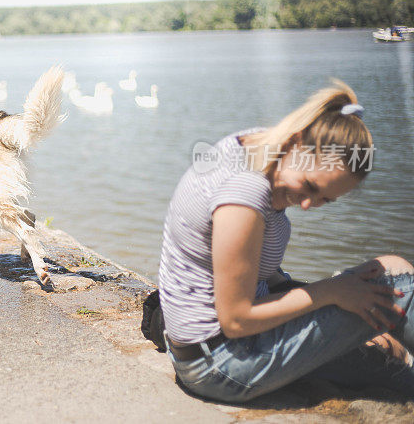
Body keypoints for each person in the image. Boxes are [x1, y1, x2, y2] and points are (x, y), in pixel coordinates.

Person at [159, 80, 414, 402]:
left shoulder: (253, 146)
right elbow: (236, 320)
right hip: (222, 362)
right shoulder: (244, 195)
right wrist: (331, 293)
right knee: (399, 288)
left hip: (225, 347)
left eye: (325, 199)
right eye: (308, 186)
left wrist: (337, 303)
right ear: (296, 142)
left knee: (392, 286)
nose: (308, 204)